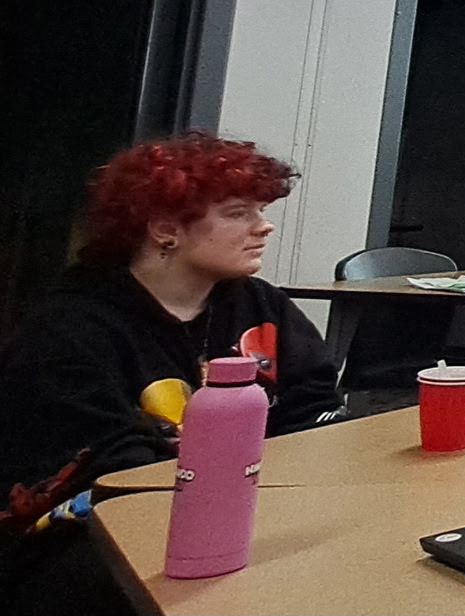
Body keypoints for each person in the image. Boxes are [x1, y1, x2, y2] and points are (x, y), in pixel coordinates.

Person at [0, 133, 347, 610]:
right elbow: (106, 463)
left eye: (260, 211)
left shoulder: (261, 304)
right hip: (88, 535)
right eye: (238, 213)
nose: (263, 228)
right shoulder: (69, 327)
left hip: (246, 513)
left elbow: (314, 407)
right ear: (166, 228)